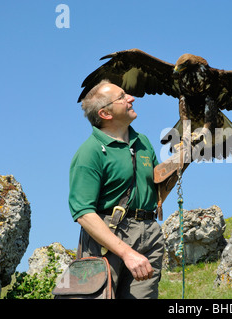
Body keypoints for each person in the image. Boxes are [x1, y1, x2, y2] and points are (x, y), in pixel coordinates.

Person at [69, 80, 170, 299]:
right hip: (107, 237)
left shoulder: (142, 141)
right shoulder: (90, 152)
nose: (131, 98)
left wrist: (186, 156)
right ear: (105, 114)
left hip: (149, 233)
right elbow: (83, 213)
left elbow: (156, 187)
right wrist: (127, 253)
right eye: (122, 96)